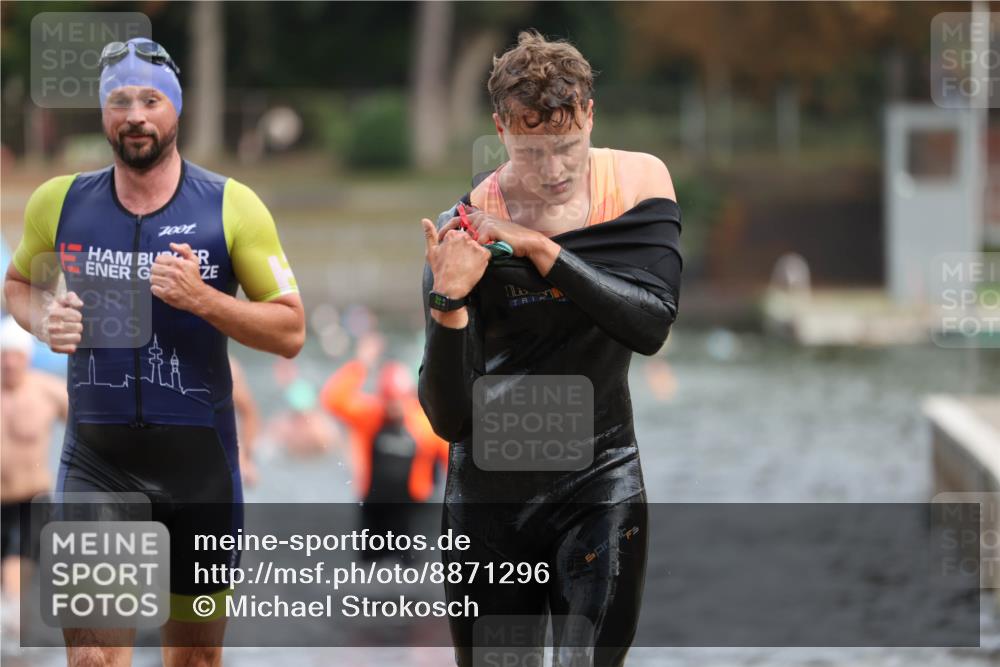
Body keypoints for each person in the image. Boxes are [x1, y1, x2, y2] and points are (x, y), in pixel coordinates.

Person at [2, 38, 305, 666]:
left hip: (199, 469)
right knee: (92, 659)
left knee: (192, 660)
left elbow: (289, 331)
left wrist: (203, 299)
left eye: (151, 99)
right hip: (97, 463)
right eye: (119, 100)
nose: (135, 114)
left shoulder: (230, 206)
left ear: (177, 110)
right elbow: (19, 287)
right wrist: (44, 321)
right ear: (104, 113)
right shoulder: (59, 202)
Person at [418, 30, 682, 667]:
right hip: (489, 503)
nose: (555, 171)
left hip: (600, 481)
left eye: (567, 147)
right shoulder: (468, 226)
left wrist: (539, 248)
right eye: (534, 153)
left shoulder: (636, 184)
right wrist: (449, 302)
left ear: (589, 115)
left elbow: (648, 325)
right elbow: (449, 419)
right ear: (501, 130)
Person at [322, 333, 448, 562]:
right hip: (374, 508)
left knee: (413, 571)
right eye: (389, 400)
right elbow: (333, 399)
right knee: (370, 572)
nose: (393, 407)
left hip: (413, 510)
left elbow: (452, 462)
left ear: (409, 396)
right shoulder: (370, 415)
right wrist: (361, 364)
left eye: (398, 400)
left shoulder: (424, 424)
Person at [0, 316, 67, 634]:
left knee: (17, 561)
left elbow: (92, 430)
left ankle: (17, 635)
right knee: (11, 575)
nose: (10, 363)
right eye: (4, 356)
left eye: (16, 356)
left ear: (27, 357)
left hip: (33, 499)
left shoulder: (48, 392)